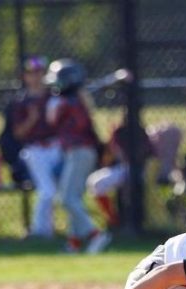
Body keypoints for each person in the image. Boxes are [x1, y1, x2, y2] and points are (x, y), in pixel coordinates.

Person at [45, 59, 110, 254]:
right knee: (73, 198)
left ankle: (95, 234)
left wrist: (58, 103)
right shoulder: (75, 100)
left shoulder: (69, 103)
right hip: (78, 152)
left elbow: (51, 119)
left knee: (66, 198)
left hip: (79, 152)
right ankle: (74, 242)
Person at [12, 56, 59, 238]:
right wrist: (32, 118)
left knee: (61, 191)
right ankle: (40, 231)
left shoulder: (54, 97)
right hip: (35, 150)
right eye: (31, 73)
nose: (36, 77)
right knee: (47, 191)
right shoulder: (21, 102)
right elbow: (18, 134)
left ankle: (52, 232)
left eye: (39, 72)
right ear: (25, 76)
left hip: (56, 148)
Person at [86, 116, 154, 229]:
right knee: (94, 181)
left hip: (138, 169)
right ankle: (113, 219)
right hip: (122, 167)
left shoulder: (141, 133)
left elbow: (149, 153)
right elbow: (111, 155)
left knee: (98, 182)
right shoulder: (119, 131)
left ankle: (117, 221)